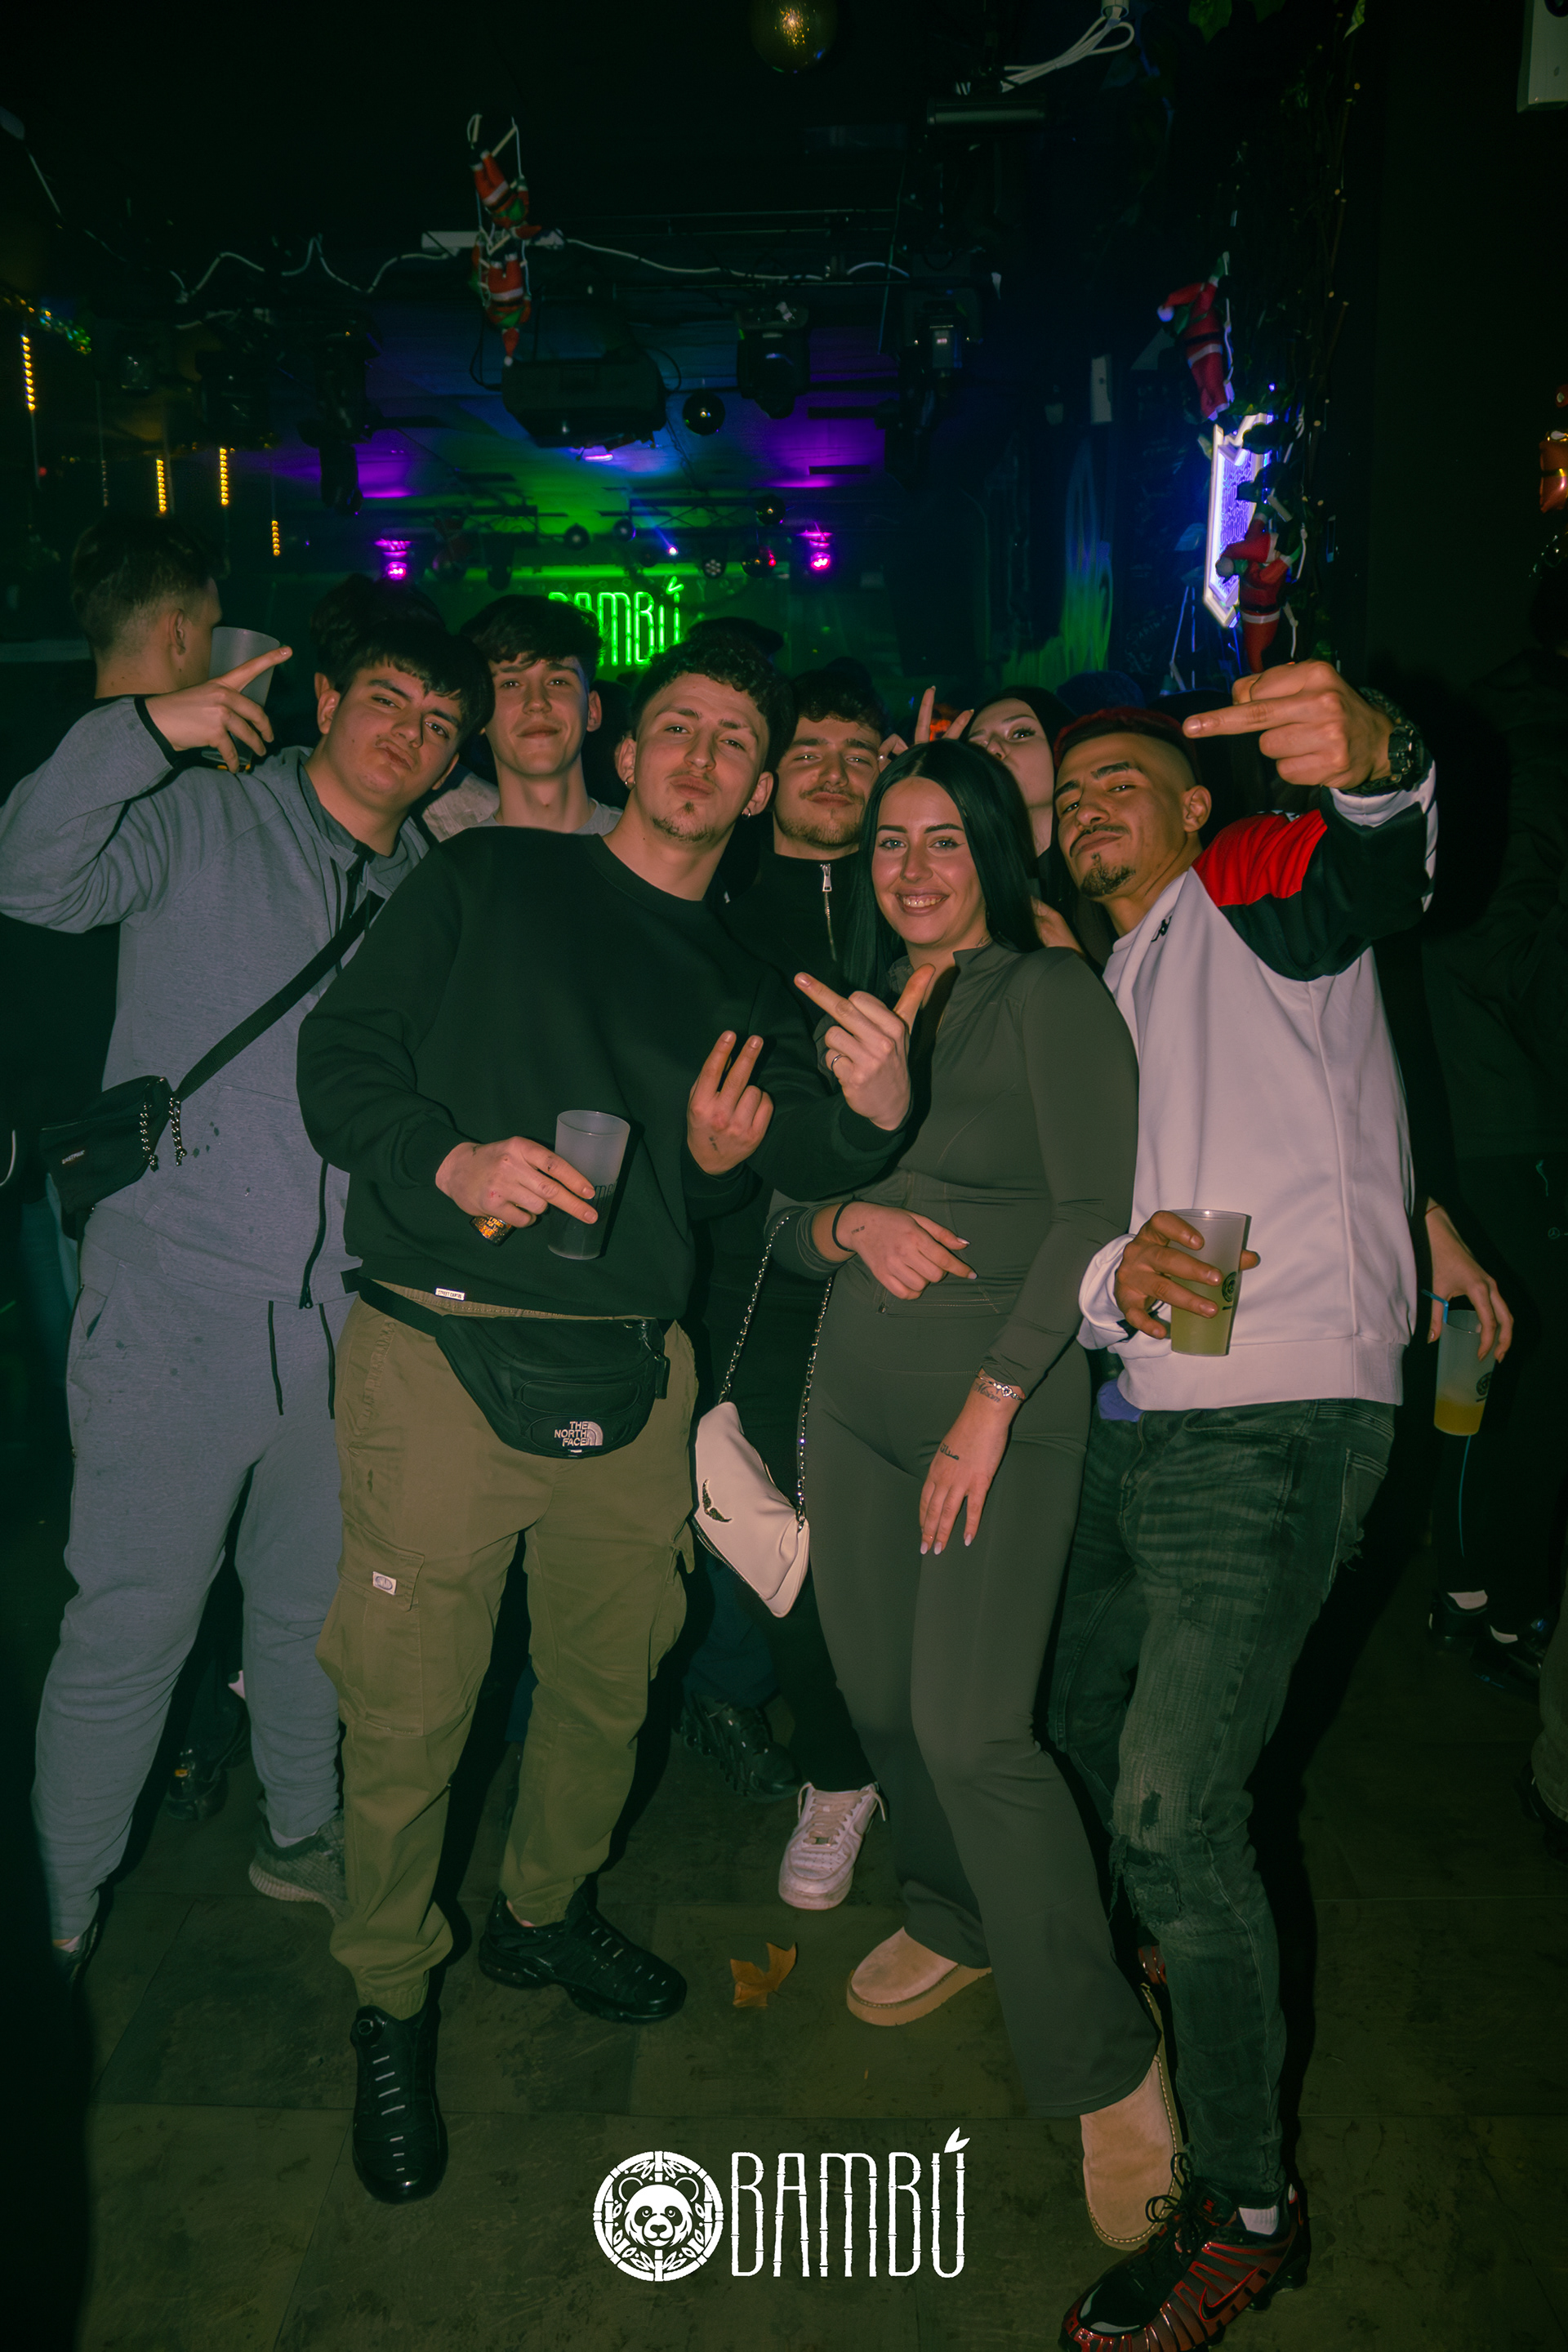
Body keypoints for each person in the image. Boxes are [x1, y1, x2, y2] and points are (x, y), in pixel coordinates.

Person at [295, 626, 921, 2207]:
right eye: (678, 727)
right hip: (441, 1345)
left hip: (633, 1373)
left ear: (760, 788)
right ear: (627, 752)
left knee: (605, 1684)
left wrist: (863, 1113)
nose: (703, 758)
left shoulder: (743, 979)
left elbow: (790, 1166)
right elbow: (342, 1060)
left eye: (735, 741)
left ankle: (543, 1911)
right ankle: (389, 1998)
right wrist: (447, 1160)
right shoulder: (489, 878)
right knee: (412, 1711)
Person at [0, 587, 490, 1981]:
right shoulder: (205, 818)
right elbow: (29, 874)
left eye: (438, 723)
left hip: (342, 1320)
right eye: (386, 699)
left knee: (307, 1615)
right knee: (132, 1625)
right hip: (174, 1304)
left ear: (450, 762)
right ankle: (59, 1907)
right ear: (325, 702)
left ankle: (300, 1830)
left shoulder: (427, 895)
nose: (409, 733)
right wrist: (142, 729)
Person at [1043, 675, 1437, 2349]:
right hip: (1143, 1413)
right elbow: (1102, 1228)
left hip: (1270, 1422)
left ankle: (1248, 2209)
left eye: (1121, 781)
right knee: (1068, 1721)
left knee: (1170, 1818)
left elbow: (1371, 869)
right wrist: (1100, 1283)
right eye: (1068, 794)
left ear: (1198, 805)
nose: (1087, 807)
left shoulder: (1245, 887)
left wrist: (1383, 767)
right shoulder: (1108, 981)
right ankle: (1184, 1966)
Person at [770, 738, 1178, 2253]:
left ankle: (1109, 2061)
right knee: (882, 1700)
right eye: (891, 840)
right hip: (851, 1404)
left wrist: (994, 1399)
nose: (915, 866)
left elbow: (1092, 1211)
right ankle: (952, 1912)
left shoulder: (1048, 993)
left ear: (993, 852)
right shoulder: (859, 1009)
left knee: (972, 1729)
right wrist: (850, 1224)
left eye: (946, 838)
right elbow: (783, 1211)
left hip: (998, 1408)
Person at [684, 669, 888, 1899]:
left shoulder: (918, 894)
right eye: (809, 751)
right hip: (749, 1262)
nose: (833, 774)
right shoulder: (716, 904)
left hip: (903, 1256)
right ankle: (837, 1766)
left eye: (859, 754)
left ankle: (895, 1749)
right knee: (762, 1512)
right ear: (766, 780)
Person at [1421, 560, 1568, 1695]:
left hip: (1477, 1099)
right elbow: (1505, 948)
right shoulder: (1541, 750)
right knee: (1516, 1358)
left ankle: (1471, 1582)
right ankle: (1489, 1594)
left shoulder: (1490, 723)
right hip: (1505, 1105)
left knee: (1488, 1355)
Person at [419, 595, 617, 842]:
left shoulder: (648, 850)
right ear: (480, 713)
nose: (537, 702)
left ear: (592, 710)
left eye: (558, 681)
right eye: (511, 684)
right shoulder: (454, 862)